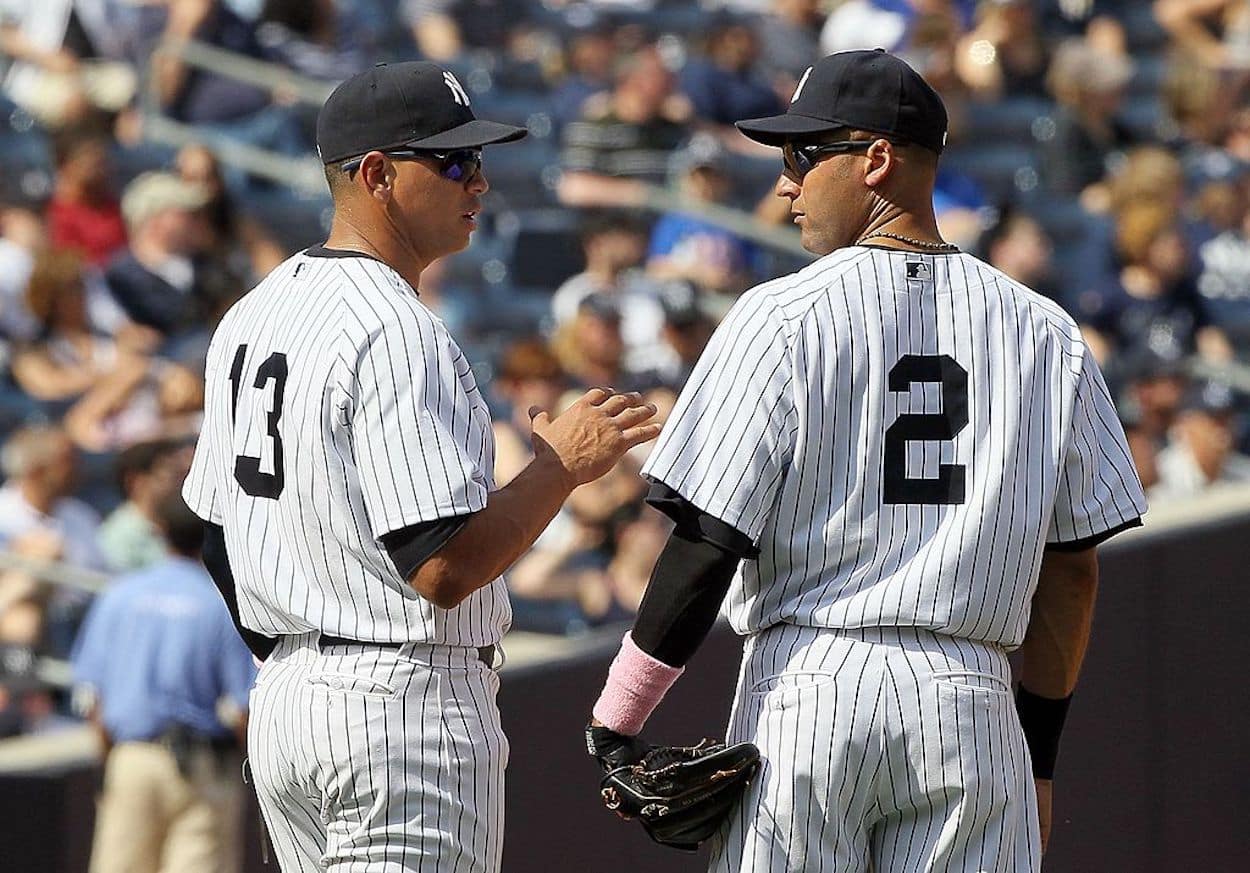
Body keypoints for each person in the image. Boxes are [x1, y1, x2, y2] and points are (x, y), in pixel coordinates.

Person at [583, 50, 1147, 872]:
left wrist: (618, 718)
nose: (784, 184)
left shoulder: (779, 314)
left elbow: (709, 538)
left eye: (800, 157)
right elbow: (1072, 571)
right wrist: (1040, 758)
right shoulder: (1045, 331)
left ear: (876, 159)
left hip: (812, 688)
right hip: (972, 704)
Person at [180, 61, 660, 872]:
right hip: (399, 705)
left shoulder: (253, 312)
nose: (478, 180)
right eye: (451, 162)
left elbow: (216, 536)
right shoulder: (397, 327)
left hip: (293, 703)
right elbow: (440, 567)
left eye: (477, 159)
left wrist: (303, 649)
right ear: (376, 174)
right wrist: (560, 468)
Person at [71, 493, 257, 873]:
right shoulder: (219, 603)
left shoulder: (120, 595)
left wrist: (108, 759)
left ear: (160, 532)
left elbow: (92, 695)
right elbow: (243, 707)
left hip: (132, 756)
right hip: (202, 766)